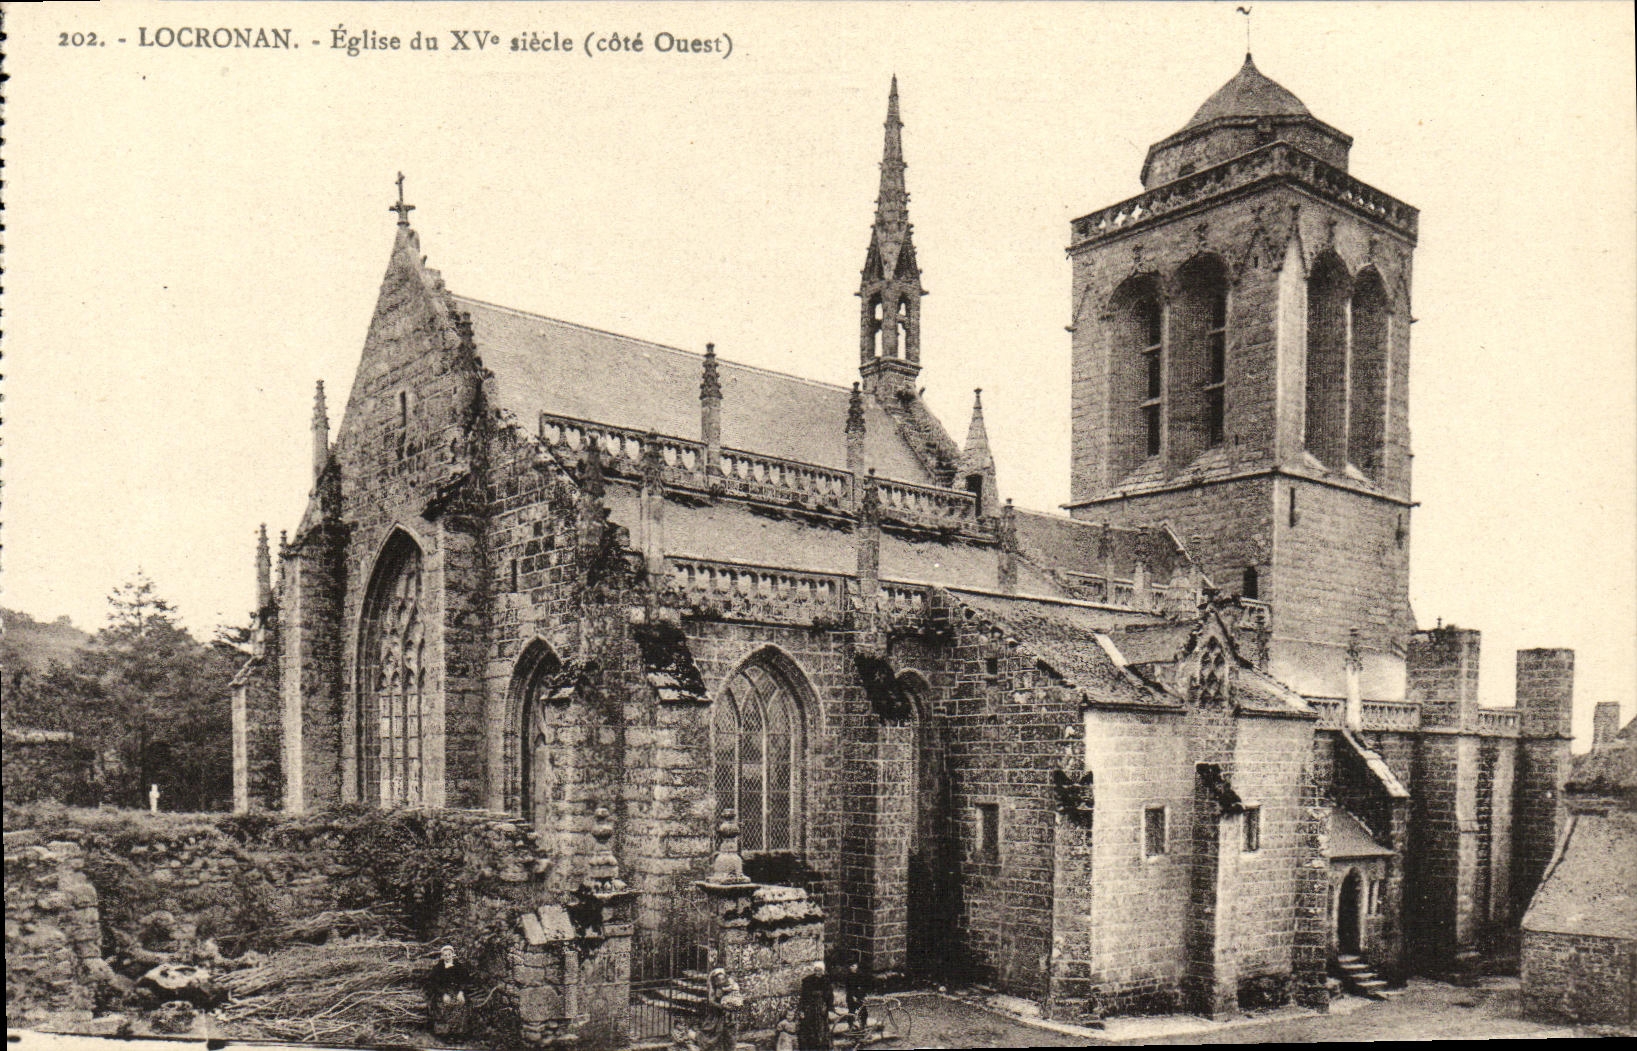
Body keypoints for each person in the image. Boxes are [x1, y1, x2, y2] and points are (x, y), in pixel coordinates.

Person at [424, 944, 473, 1038]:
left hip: (457, 991)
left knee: (461, 1004)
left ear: (452, 955)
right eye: (445, 955)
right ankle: (444, 1033)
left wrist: (461, 992)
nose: (447, 957)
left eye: (449, 954)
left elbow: (465, 980)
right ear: (442, 956)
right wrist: (443, 994)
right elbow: (434, 983)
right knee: (443, 1005)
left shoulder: (459, 967)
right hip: (442, 992)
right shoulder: (438, 968)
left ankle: (458, 1033)